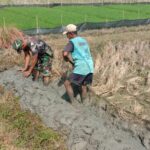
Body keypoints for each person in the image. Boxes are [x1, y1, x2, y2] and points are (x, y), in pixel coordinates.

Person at [62, 24, 94, 104]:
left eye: (67, 34)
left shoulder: (72, 42)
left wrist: (67, 60)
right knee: (83, 86)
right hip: (90, 66)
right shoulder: (83, 40)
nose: (67, 36)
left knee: (67, 83)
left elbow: (65, 54)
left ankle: (73, 103)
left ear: (71, 34)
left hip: (82, 66)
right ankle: (84, 103)